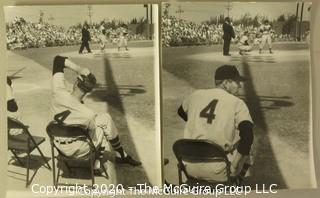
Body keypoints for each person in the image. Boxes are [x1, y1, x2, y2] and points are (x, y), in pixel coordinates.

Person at [50, 55, 141, 173]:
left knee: (97, 123)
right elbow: (93, 132)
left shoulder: (57, 92)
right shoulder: (87, 114)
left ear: (76, 83)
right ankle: (106, 160)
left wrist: (79, 69)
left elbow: (58, 60)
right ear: (88, 91)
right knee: (104, 122)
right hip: (79, 151)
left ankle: (120, 155)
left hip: (58, 147)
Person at [177, 65, 254, 184]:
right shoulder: (237, 102)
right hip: (218, 171)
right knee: (249, 149)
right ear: (226, 82)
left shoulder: (196, 94)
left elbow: (181, 111)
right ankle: (232, 185)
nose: (240, 86)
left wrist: (199, 122)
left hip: (188, 167)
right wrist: (233, 166)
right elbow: (248, 136)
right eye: (237, 82)